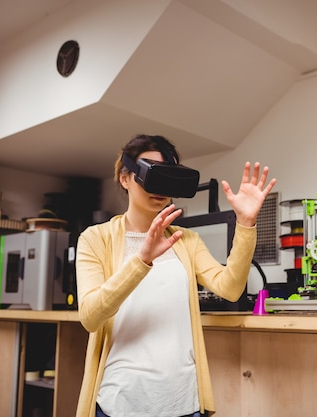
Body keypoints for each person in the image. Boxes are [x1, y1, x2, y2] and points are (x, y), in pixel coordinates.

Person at [74, 134, 276, 417]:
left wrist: (245, 223)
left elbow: (230, 288)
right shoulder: (95, 239)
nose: (160, 187)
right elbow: (91, 317)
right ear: (125, 178)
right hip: (120, 401)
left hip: (183, 401)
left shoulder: (186, 241)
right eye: (150, 173)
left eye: (168, 175)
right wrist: (142, 260)